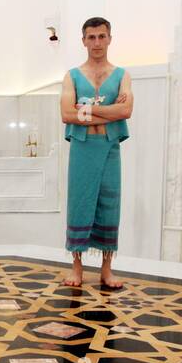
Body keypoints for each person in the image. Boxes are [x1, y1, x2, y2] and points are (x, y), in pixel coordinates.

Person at [59, 16, 132, 289]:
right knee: (80, 202)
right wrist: (108, 110)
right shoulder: (73, 75)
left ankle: (106, 268)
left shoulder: (122, 75)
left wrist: (86, 109)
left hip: (109, 148)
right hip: (83, 147)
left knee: (109, 204)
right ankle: (76, 267)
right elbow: (67, 114)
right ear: (84, 41)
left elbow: (125, 111)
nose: (97, 42)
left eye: (102, 36)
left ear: (110, 38)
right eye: (91, 37)